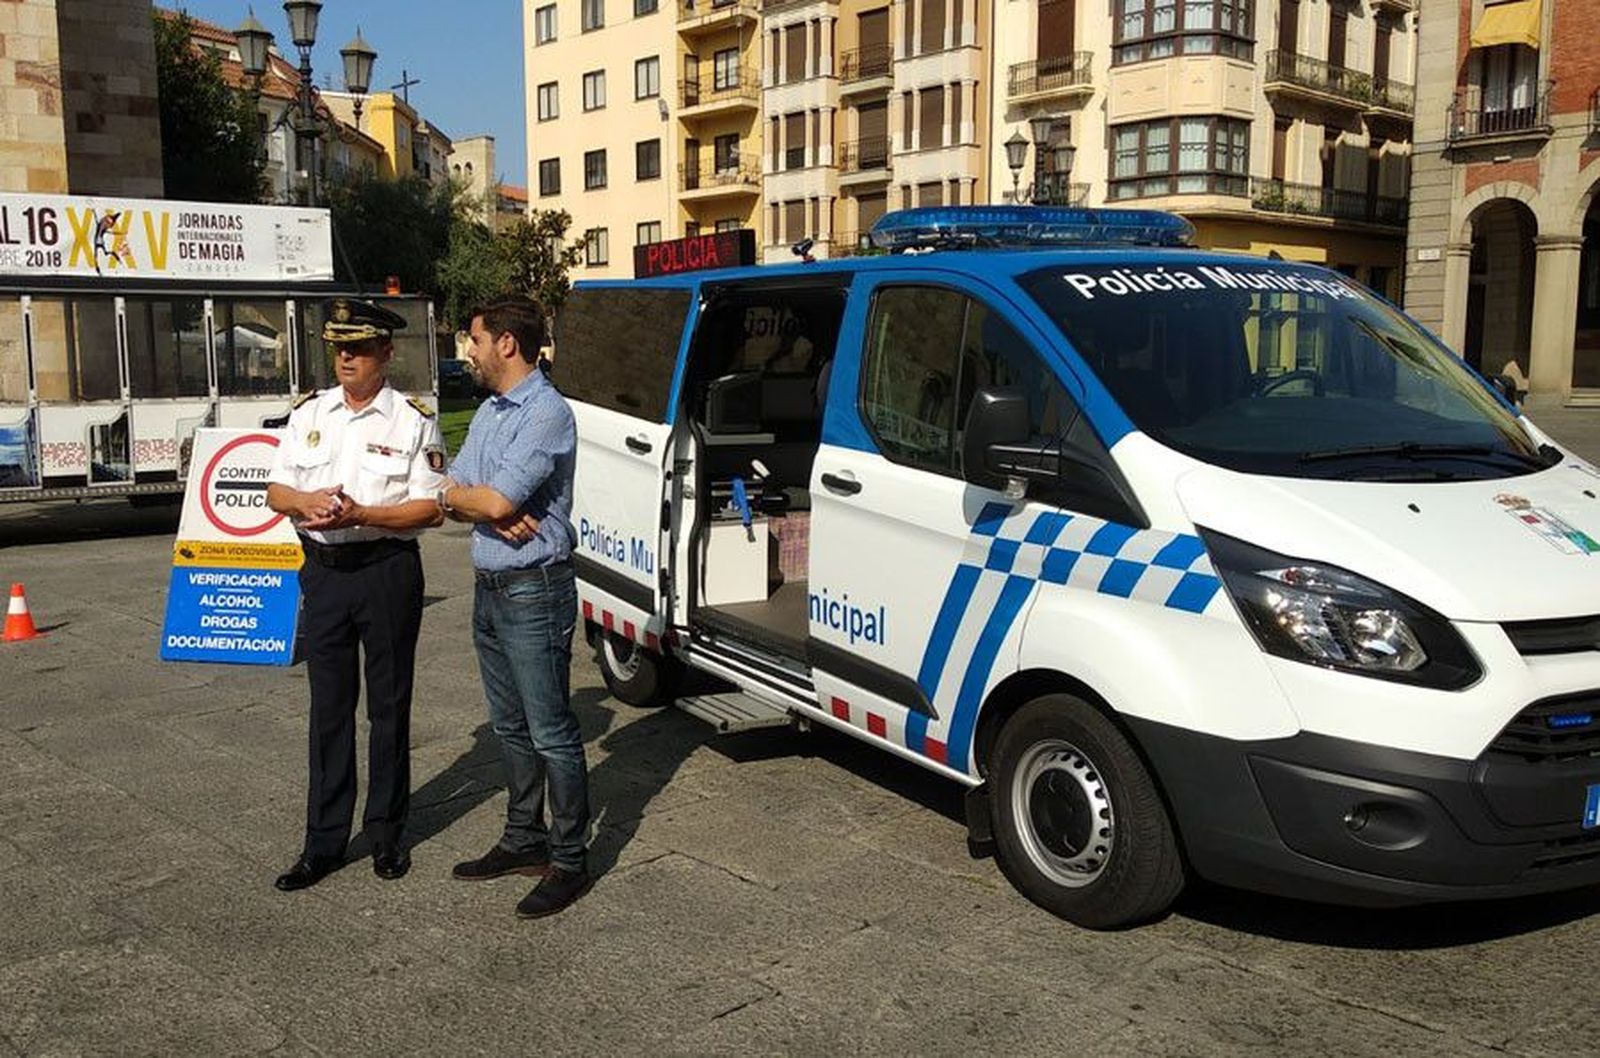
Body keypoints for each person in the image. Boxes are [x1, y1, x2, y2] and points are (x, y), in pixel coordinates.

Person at [265, 298, 446, 892]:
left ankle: (388, 834)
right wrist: (307, 504)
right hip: (323, 570)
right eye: (339, 347)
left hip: (385, 567)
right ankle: (322, 842)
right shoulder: (310, 413)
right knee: (328, 709)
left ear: (386, 354)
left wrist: (365, 512)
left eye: (359, 348)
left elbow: (431, 508)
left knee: (389, 708)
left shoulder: (413, 419)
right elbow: (277, 490)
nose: (346, 357)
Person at [438, 296, 590, 919]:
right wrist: (475, 501)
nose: (468, 351)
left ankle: (571, 858)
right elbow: (450, 486)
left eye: (474, 339)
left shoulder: (547, 413)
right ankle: (523, 838)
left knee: (552, 731)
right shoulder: (489, 412)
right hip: (491, 587)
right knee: (509, 726)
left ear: (506, 343)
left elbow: (497, 502)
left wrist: (481, 502)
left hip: (534, 588)